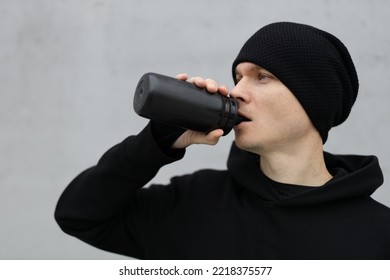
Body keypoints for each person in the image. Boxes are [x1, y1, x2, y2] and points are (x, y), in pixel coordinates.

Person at [54, 22, 390, 259]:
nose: (237, 91)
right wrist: (153, 144)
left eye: (263, 77)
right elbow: (78, 215)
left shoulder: (378, 235)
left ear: (315, 100)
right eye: (238, 77)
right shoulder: (193, 200)